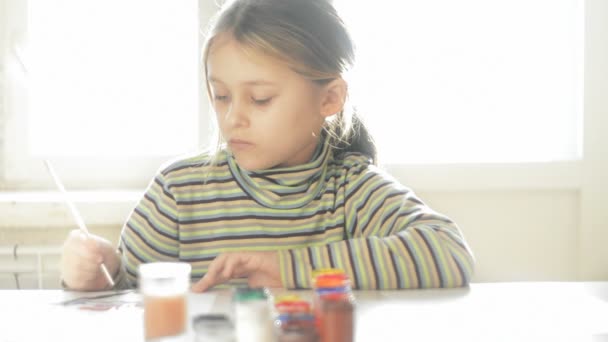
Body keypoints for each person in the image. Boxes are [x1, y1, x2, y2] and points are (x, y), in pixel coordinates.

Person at [60, 0, 475, 292]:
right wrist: (96, 275)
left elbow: (449, 253)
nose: (233, 117)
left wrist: (287, 269)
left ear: (329, 99)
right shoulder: (179, 192)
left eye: (260, 99)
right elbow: (125, 294)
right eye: (221, 96)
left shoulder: (351, 190)